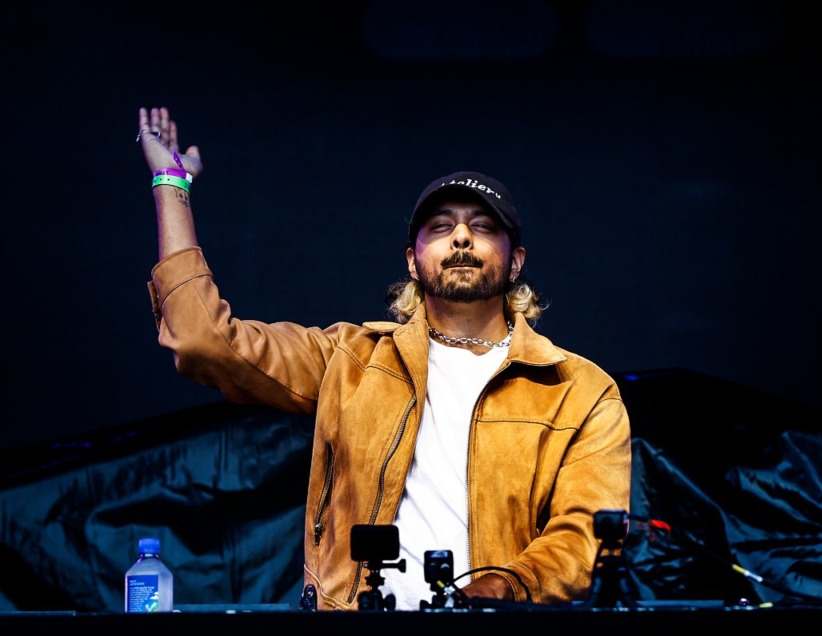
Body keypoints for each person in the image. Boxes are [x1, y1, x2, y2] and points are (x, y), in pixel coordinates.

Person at [137, 106, 632, 611]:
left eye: (482, 227)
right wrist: (171, 184)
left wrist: (504, 585)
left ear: (516, 262)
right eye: (440, 227)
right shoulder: (350, 360)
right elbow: (204, 341)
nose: (461, 237)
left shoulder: (580, 390)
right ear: (413, 261)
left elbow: (586, 532)